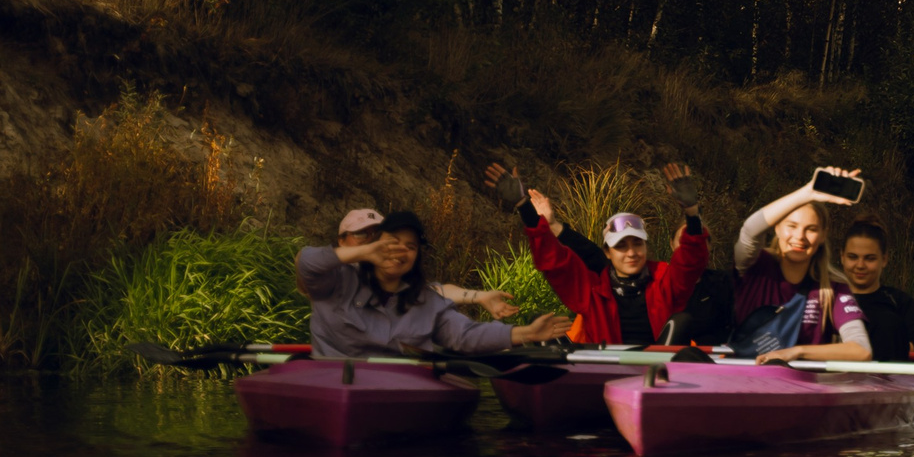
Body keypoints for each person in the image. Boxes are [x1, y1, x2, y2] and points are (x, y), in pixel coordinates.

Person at [484, 162, 709, 346]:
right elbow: (554, 261)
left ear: (646, 247)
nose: (631, 252)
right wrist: (524, 205)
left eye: (637, 244)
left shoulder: (665, 279)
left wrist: (691, 211)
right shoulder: (591, 289)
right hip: (601, 373)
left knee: (681, 321)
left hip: (658, 372)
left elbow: (691, 261)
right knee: (542, 329)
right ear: (607, 253)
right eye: (621, 246)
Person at [296, 208, 572, 358]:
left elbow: (465, 336)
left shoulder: (426, 301)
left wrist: (527, 334)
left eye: (411, 246)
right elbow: (306, 262)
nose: (401, 251)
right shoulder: (335, 282)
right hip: (331, 379)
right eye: (393, 242)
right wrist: (364, 252)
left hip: (391, 390)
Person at [729, 168, 872, 363]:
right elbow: (750, 230)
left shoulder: (833, 287)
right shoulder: (753, 265)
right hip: (741, 378)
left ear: (823, 235)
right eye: (792, 226)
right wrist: (808, 193)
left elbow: (862, 350)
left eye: (811, 229)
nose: (800, 237)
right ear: (777, 227)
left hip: (801, 386)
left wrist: (797, 352)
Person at [334, 207, 521, 323]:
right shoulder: (331, 275)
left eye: (375, 234)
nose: (370, 241)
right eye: (360, 233)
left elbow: (433, 292)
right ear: (341, 241)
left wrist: (478, 296)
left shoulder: (392, 277)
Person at [838, 221, 914, 364]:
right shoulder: (829, 299)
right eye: (853, 257)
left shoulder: (898, 301)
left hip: (889, 381)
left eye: (869, 258)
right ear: (842, 257)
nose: (860, 265)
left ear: (884, 259)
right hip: (842, 382)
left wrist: (889, 348)